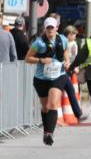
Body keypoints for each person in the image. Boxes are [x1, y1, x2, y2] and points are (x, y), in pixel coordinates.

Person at [25, 17, 71, 146]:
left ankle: (50, 133)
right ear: (45, 29)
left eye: (52, 27)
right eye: (48, 28)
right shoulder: (39, 43)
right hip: (41, 78)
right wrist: (41, 60)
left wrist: (67, 61)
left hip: (58, 76)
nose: (50, 30)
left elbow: (66, 51)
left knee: (53, 104)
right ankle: (46, 131)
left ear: (57, 28)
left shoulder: (63, 39)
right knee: (45, 107)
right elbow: (27, 58)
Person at [62, 25, 87, 122]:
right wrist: (75, 67)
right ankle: (78, 113)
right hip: (69, 69)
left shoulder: (61, 41)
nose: (75, 37)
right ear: (69, 34)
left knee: (66, 91)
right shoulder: (73, 44)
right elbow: (74, 57)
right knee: (71, 90)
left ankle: (75, 113)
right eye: (74, 35)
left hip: (62, 68)